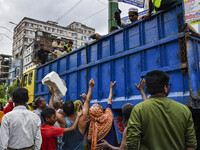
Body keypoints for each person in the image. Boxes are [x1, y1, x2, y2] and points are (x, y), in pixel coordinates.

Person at [126, 70, 197, 150]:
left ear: (148, 89)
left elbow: (132, 143)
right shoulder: (184, 110)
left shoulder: (138, 110)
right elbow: (191, 145)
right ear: (165, 88)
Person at [62, 78, 95, 150]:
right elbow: (87, 102)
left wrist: (52, 95)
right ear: (74, 109)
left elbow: (51, 108)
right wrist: (90, 87)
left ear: (64, 112)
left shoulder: (62, 121)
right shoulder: (81, 119)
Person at [88, 81, 116, 150]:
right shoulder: (108, 115)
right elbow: (109, 100)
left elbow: (89, 139)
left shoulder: (92, 124)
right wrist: (111, 88)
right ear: (100, 110)